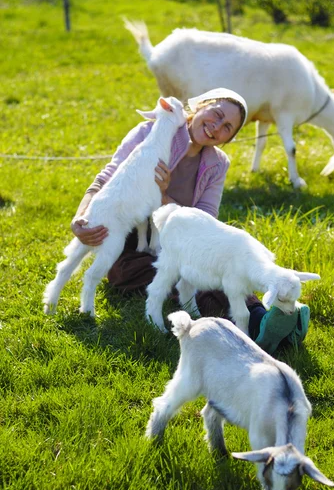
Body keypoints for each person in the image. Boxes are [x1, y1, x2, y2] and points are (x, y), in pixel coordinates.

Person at [71, 88, 309, 354]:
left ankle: (269, 318)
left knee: (216, 268)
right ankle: (261, 323)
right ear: (201, 106)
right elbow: (105, 179)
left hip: (181, 241)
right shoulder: (151, 131)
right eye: (216, 114)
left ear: (228, 139)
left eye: (227, 127)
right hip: (130, 240)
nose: (216, 126)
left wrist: (163, 196)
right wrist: (82, 216)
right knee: (154, 274)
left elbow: (206, 221)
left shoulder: (217, 163)